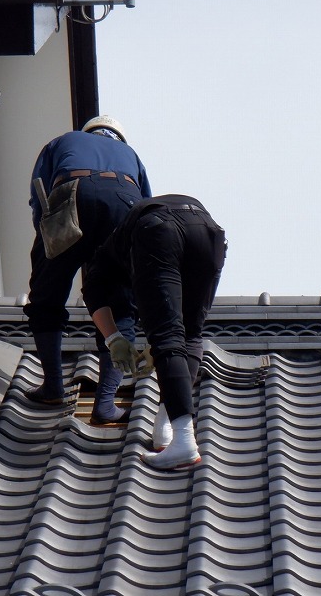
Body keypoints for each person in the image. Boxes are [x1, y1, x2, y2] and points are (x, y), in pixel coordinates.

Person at [82, 194, 227, 470]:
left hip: (159, 227)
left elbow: (92, 289)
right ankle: (165, 430)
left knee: (168, 335)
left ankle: (184, 441)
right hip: (210, 231)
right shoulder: (124, 248)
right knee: (190, 335)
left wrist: (113, 339)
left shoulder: (108, 255)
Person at [24, 115, 151, 425]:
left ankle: (53, 385)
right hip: (125, 202)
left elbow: (37, 196)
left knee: (46, 296)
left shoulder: (62, 141)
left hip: (73, 195)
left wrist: (49, 242)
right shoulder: (131, 154)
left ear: (88, 132)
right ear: (118, 138)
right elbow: (146, 205)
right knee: (120, 301)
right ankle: (106, 404)